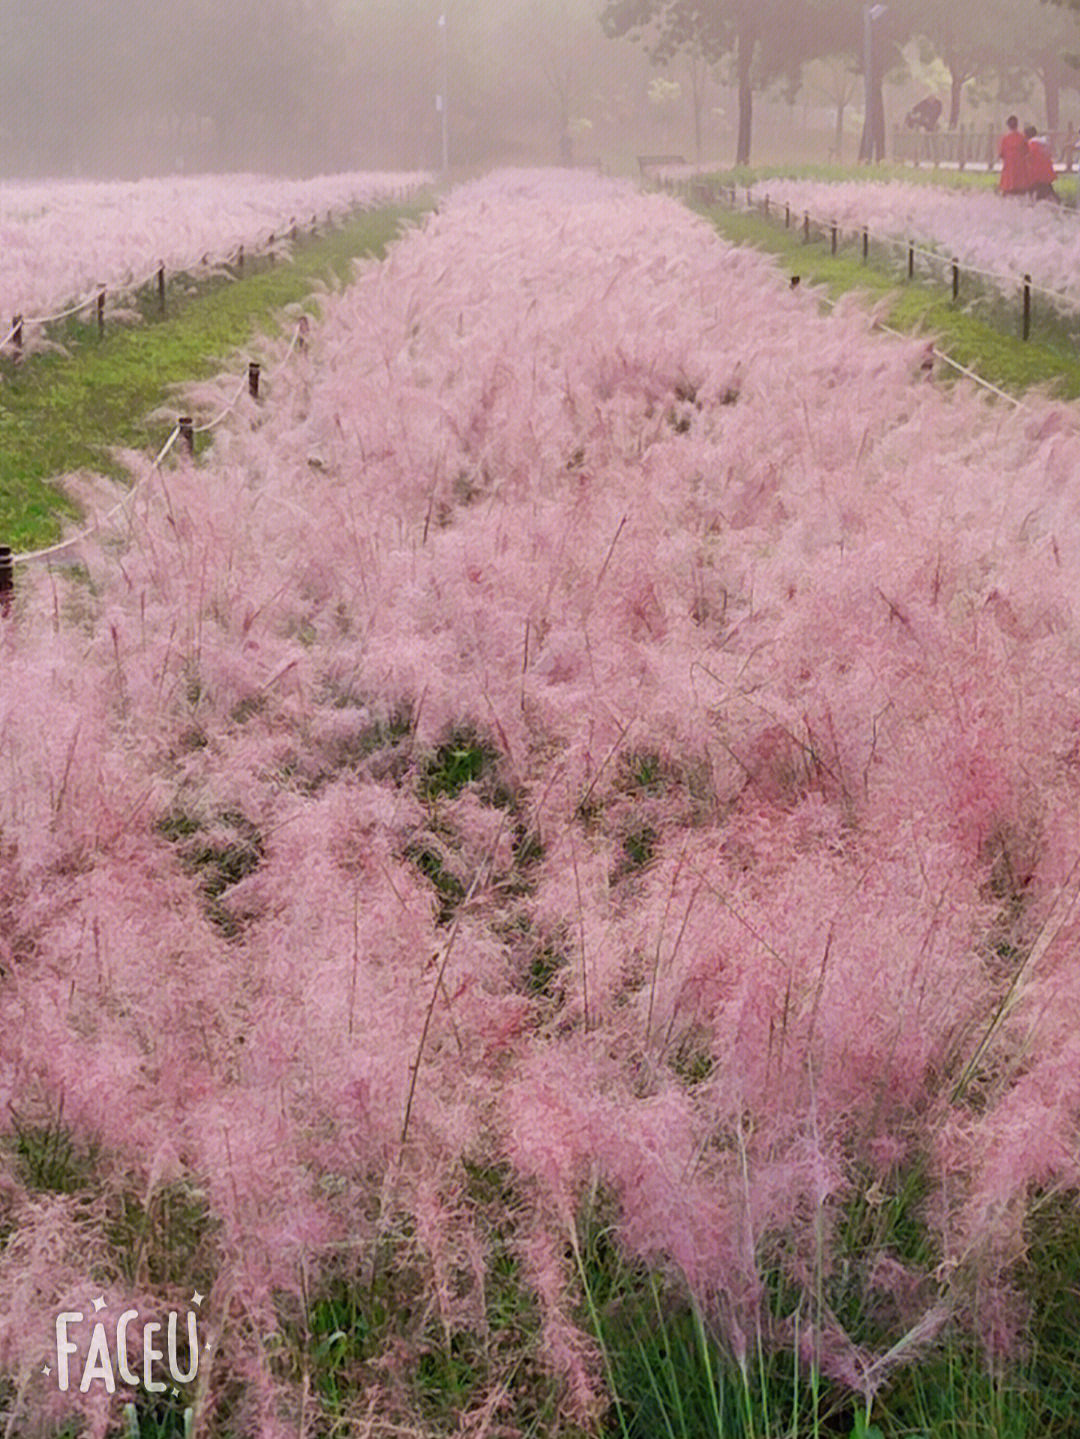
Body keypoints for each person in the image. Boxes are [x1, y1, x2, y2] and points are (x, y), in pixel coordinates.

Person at [1024, 125, 1059, 202]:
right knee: (1048, 190)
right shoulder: (1043, 144)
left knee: (1036, 191)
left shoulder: (1030, 144)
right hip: (1048, 172)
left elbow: (1028, 158)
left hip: (1038, 174)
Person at [997, 115, 1028, 196]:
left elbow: (1001, 153)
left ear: (1008, 126)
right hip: (1020, 165)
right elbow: (1026, 151)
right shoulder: (1022, 137)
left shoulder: (1005, 138)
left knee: (1008, 182)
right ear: (1017, 125)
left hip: (1009, 164)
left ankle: (1008, 190)